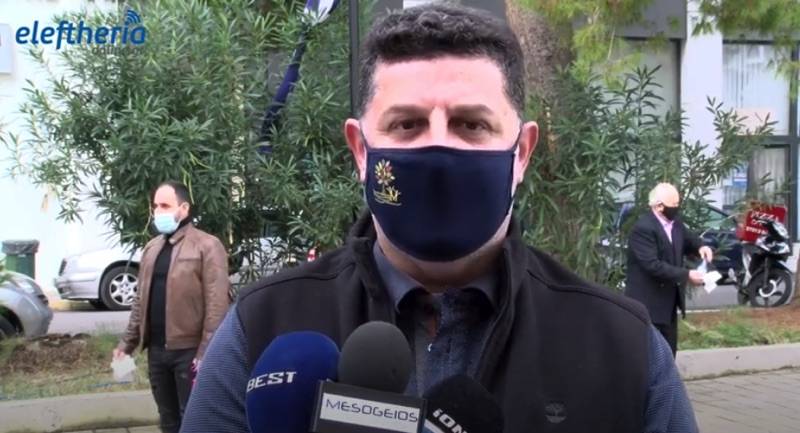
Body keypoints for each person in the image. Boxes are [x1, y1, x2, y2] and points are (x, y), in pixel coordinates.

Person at [181, 5, 698, 432]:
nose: (438, 148)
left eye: (470, 124)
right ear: (361, 150)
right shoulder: (261, 330)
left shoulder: (624, 350)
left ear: (521, 153)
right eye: (407, 124)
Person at [113, 180, 231, 433]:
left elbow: (217, 304)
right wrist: (126, 344)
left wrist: (206, 353)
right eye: (156, 206)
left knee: (194, 420)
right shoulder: (152, 248)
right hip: (156, 352)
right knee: (167, 420)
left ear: (184, 208)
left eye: (165, 206)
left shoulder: (207, 246)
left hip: (189, 352)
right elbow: (140, 300)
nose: (158, 211)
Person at [625, 182, 714, 356]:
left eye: (678, 204)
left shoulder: (675, 223)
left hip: (669, 304)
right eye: (673, 205)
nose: (676, 209)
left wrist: (701, 247)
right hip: (648, 303)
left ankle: (668, 375)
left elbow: (688, 239)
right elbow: (652, 265)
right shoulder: (643, 229)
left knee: (669, 353)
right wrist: (687, 275)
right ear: (659, 206)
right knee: (650, 356)